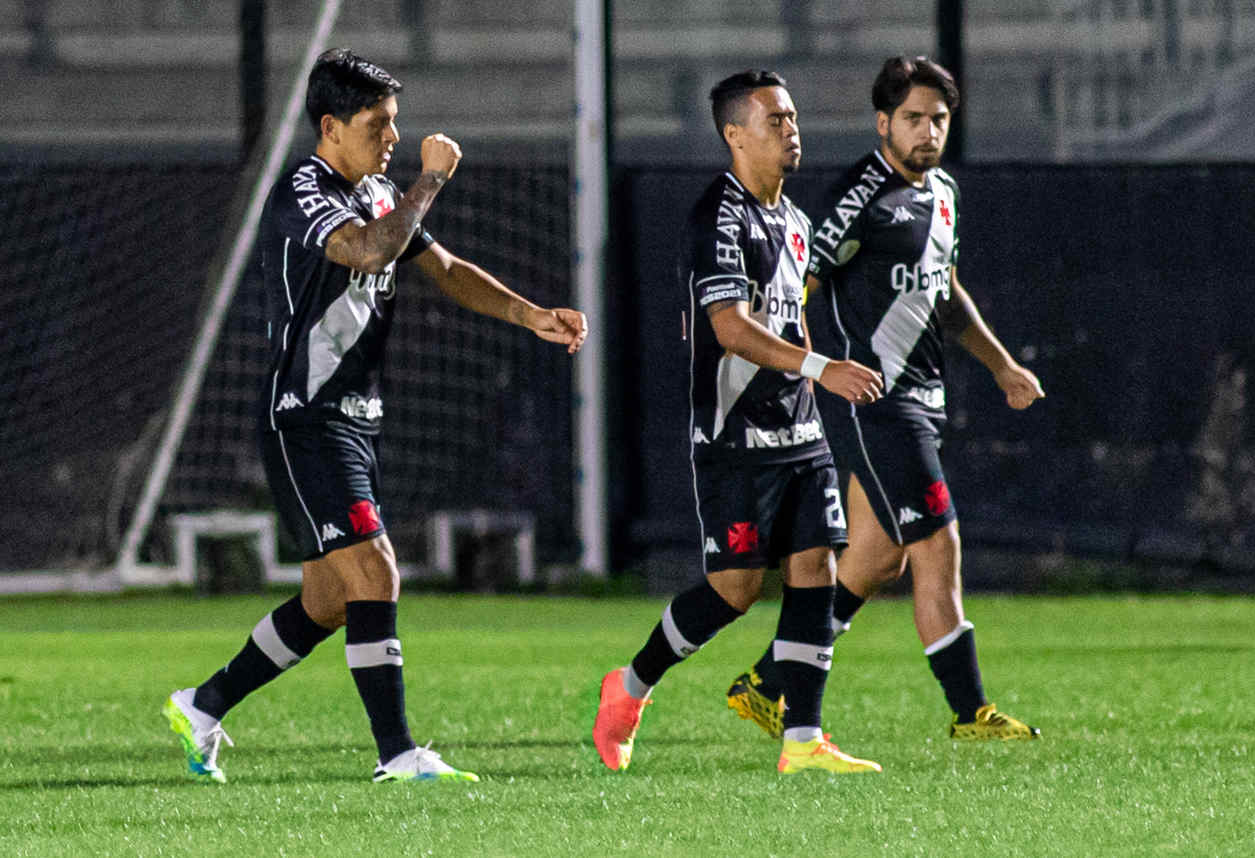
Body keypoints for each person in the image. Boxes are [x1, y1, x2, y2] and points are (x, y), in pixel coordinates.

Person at [162, 48, 587, 784]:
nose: (392, 136)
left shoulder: (383, 193)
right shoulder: (306, 187)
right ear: (330, 127)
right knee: (376, 571)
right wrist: (432, 178)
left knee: (327, 601)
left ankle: (202, 705)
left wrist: (529, 315)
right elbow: (363, 251)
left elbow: (446, 269)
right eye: (378, 124)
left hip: (354, 417)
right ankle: (398, 755)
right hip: (304, 416)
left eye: (395, 122)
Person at [727, 56, 1045, 742]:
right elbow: (795, 280)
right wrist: (808, 368)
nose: (928, 130)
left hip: (920, 396)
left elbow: (946, 293)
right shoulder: (860, 197)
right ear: (883, 123)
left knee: (876, 558)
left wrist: (1001, 365)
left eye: (939, 118)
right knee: (937, 541)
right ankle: (970, 712)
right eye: (913, 118)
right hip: (874, 400)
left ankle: (766, 681)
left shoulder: (944, 193)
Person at [592, 70, 885, 775]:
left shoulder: (796, 220)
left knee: (817, 565)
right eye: (775, 119)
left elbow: (793, 319)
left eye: (791, 116)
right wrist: (820, 368)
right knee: (735, 590)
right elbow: (729, 329)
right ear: (735, 134)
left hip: (799, 431)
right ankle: (629, 686)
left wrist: (815, 383)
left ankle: (803, 741)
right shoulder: (716, 217)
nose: (791, 128)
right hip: (733, 435)